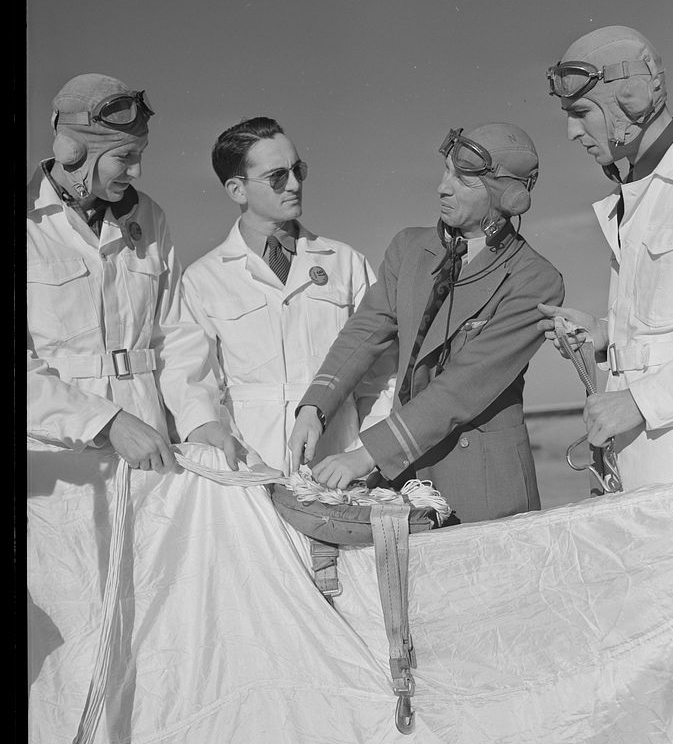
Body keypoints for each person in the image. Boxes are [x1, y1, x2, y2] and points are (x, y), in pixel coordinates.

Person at [289, 123, 565, 524]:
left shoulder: (535, 280)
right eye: (446, 171)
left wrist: (368, 453)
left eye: (462, 179)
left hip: (483, 487)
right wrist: (315, 407)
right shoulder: (408, 249)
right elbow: (365, 332)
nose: (442, 187)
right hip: (405, 476)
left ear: (508, 196)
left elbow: (463, 386)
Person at [27, 73, 242, 472]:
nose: (137, 171)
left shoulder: (149, 217)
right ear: (73, 152)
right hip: (58, 462)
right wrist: (105, 422)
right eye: (124, 157)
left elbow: (176, 335)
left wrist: (201, 422)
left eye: (140, 154)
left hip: (151, 448)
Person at [539, 25, 673, 490]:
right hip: (638, 479)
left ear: (630, 100)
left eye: (580, 112)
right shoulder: (635, 198)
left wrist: (640, 401)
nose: (571, 131)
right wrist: (602, 336)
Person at [181, 116, 396, 476]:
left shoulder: (347, 263)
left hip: (341, 464)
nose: (294, 184)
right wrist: (238, 465)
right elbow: (198, 386)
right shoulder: (203, 279)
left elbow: (381, 376)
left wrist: (367, 457)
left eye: (298, 170)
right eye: (277, 176)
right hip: (251, 470)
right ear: (237, 190)